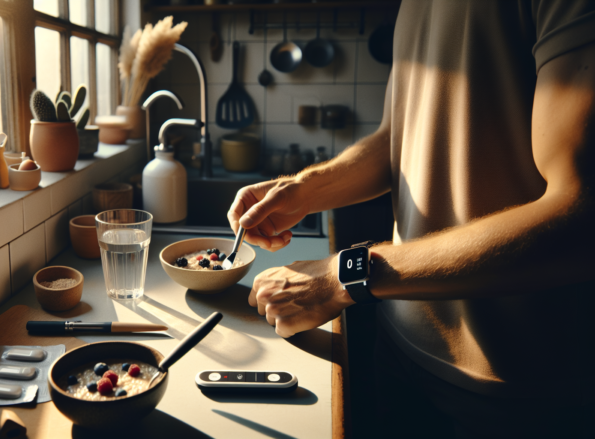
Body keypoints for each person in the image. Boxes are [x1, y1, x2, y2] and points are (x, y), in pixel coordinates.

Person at [228, 1, 595, 438]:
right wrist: (307, 189)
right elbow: (394, 139)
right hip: (400, 346)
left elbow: (580, 216)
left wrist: (341, 276)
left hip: (511, 386)